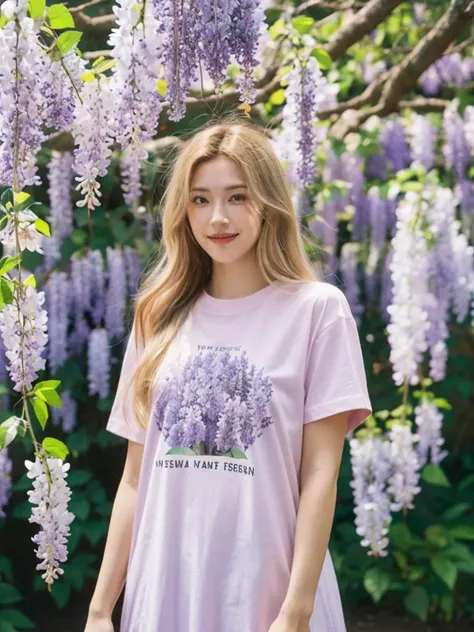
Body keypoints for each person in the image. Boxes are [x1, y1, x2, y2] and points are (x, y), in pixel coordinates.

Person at [84, 119, 372, 632]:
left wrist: (296, 610)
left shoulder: (316, 311)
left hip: (268, 590)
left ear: (268, 202)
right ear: (182, 211)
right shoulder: (158, 314)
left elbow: (320, 475)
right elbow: (134, 478)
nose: (218, 217)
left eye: (237, 196)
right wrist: (101, 610)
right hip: (165, 586)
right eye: (200, 199)